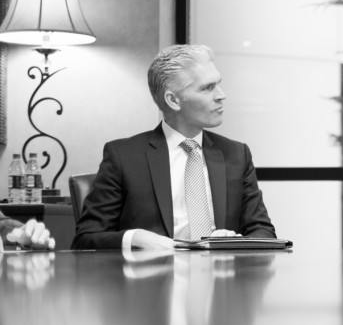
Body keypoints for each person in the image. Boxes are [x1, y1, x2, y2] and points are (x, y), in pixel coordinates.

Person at [72, 45, 276, 250]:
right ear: (173, 100)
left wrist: (235, 241)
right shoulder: (123, 157)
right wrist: (136, 237)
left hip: (219, 277)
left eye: (218, 84)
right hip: (152, 278)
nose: (221, 95)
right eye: (207, 88)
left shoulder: (236, 155)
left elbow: (263, 232)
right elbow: (85, 240)